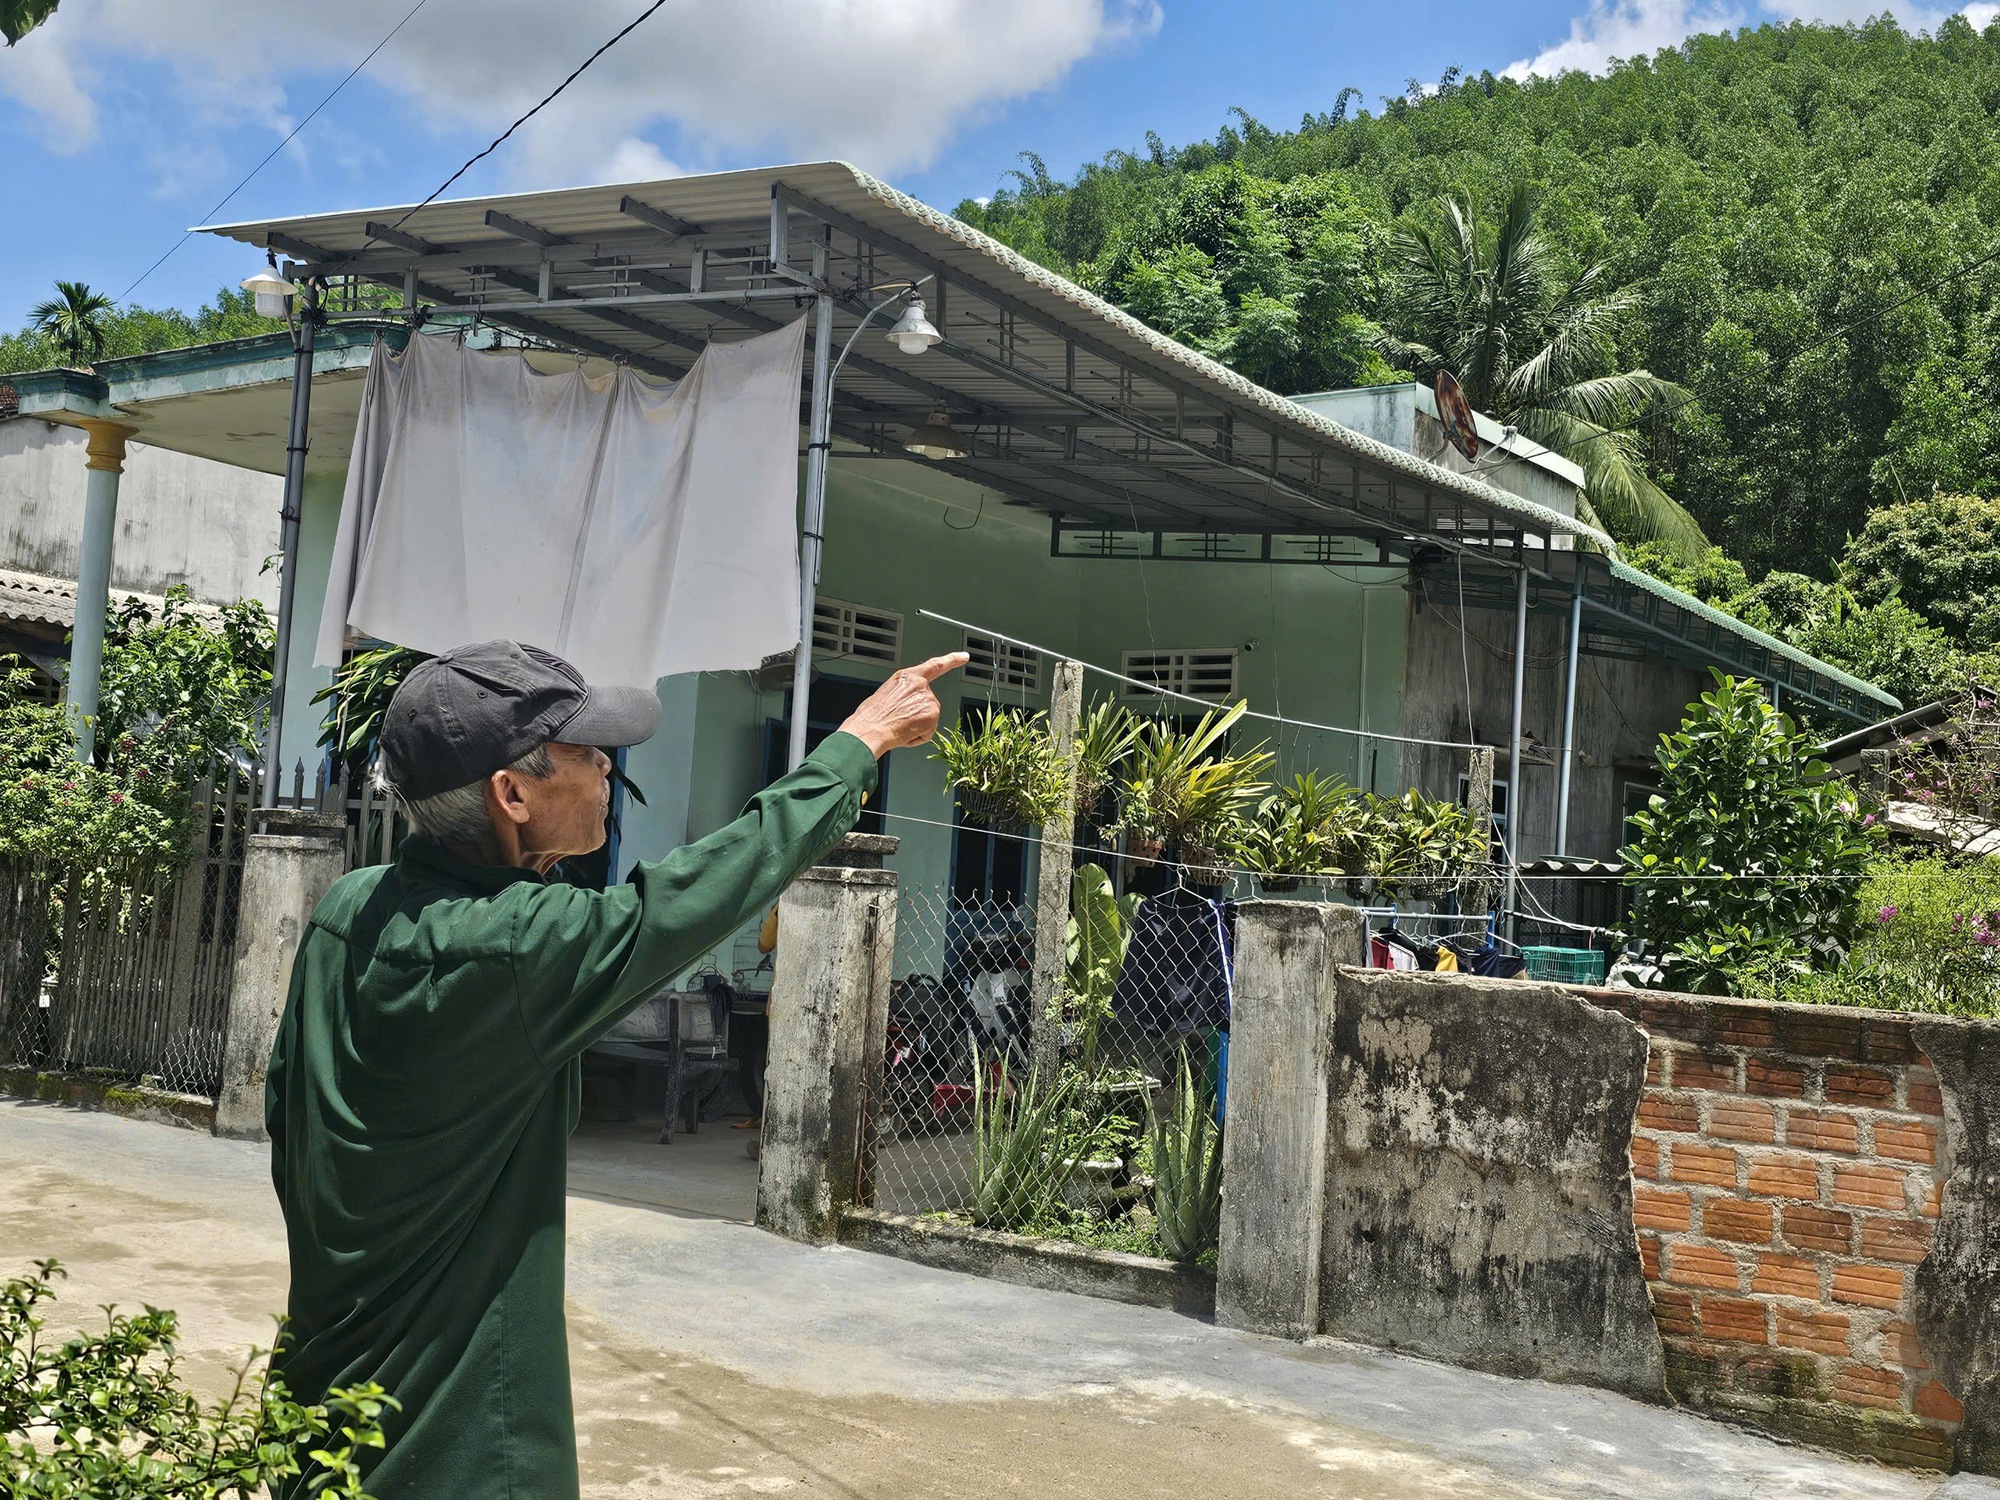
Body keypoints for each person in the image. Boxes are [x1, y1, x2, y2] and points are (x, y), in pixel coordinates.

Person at [266, 638, 965, 1498]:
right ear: (511, 793)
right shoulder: (522, 944)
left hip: (318, 1410)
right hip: (459, 1443)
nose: (605, 766)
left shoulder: (347, 910)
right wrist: (859, 741)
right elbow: (700, 891)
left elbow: (283, 1115)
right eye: (585, 752)